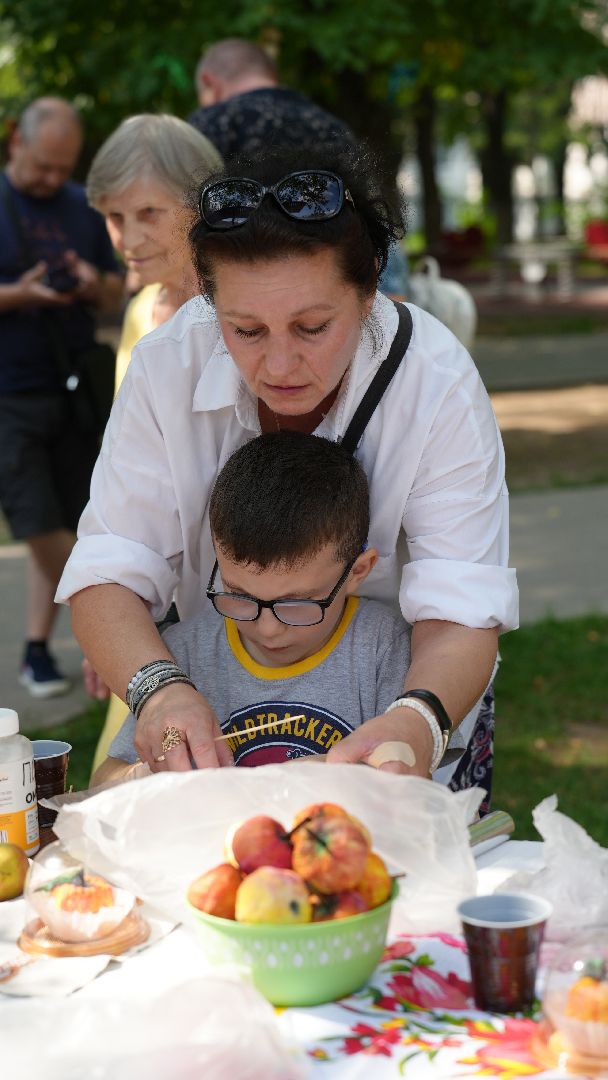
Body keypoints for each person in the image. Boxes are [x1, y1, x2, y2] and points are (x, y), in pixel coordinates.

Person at [57, 142, 518, 811]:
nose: (279, 363)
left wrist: (414, 721)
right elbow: (108, 571)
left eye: (311, 326)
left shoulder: (436, 384)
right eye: (245, 329)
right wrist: (159, 689)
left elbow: (463, 604)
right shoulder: (167, 366)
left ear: (369, 292)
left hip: (409, 695)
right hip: (222, 698)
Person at [93, 431, 466, 785]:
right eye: (238, 595)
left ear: (358, 571)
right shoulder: (184, 653)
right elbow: (104, 782)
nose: (268, 628)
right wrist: (149, 776)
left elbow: (408, 779)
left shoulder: (383, 649)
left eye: (297, 604)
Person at [84, 113, 223, 769]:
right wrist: (109, 608)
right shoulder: (143, 313)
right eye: (114, 218)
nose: (128, 238)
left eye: (147, 212)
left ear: (200, 202)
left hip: (233, 596)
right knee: (133, 776)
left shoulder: (241, 316)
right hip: (149, 604)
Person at [0, 97, 123, 697]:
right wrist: (16, 296)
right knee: (37, 520)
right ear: (13, 142)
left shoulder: (82, 207)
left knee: (78, 516)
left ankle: (36, 649)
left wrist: (92, 283)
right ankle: (110, 617)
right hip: (8, 392)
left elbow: (116, 289)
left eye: (62, 168)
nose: (52, 180)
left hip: (74, 386)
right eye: (42, 167)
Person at [189, 37, 408, 302]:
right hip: (346, 291)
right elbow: (371, 218)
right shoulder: (329, 124)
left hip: (253, 296)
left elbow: (187, 214)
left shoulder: (213, 124)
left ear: (209, 82)